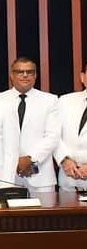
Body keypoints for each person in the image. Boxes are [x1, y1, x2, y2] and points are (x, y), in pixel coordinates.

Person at [0, 57, 59, 192]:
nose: (25, 75)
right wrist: (15, 161)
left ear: (35, 75)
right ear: (11, 75)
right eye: (20, 72)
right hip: (6, 175)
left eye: (30, 72)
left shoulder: (50, 100)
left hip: (40, 176)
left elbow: (53, 136)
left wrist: (31, 159)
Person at [54, 62, 87, 190]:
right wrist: (64, 159)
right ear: (82, 77)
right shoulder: (65, 101)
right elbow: (53, 135)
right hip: (68, 180)